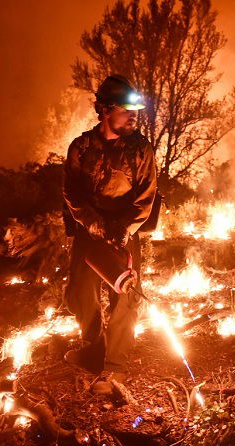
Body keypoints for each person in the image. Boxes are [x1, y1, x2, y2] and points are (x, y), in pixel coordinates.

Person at [62, 74, 157, 394]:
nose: (134, 115)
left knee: (125, 295)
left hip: (123, 233)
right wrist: (92, 224)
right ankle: (93, 348)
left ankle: (114, 369)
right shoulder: (82, 147)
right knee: (79, 293)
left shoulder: (141, 149)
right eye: (126, 109)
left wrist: (123, 230)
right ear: (105, 110)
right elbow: (72, 193)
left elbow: (146, 196)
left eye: (136, 110)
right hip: (89, 232)